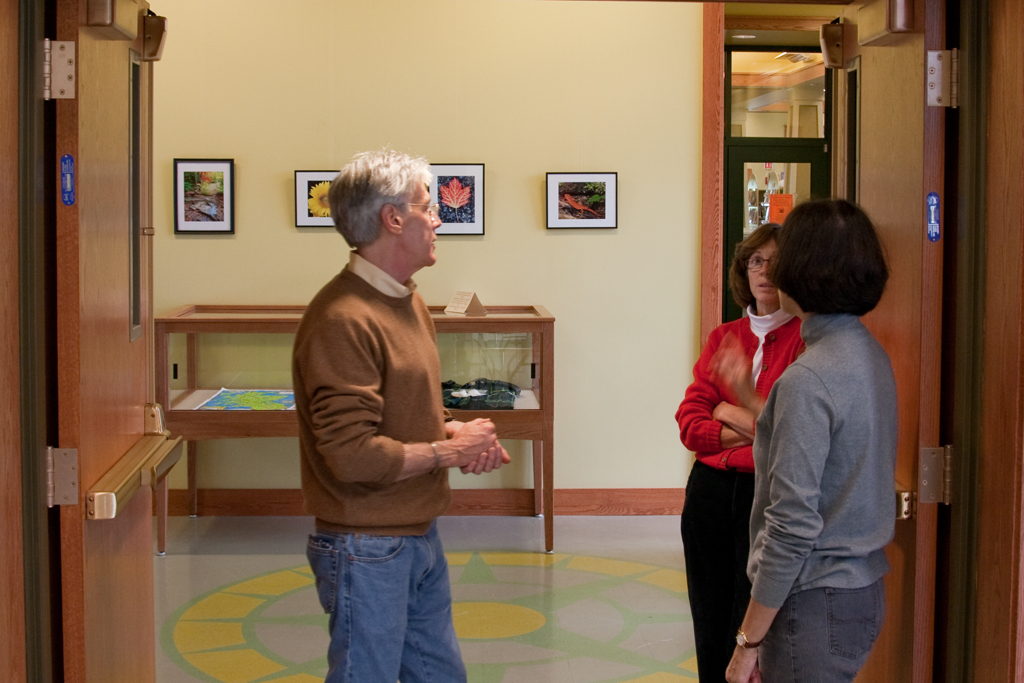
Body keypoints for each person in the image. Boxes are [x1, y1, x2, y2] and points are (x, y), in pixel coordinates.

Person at [292, 148, 510, 683]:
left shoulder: (405, 299)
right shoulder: (343, 319)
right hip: (365, 547)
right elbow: (351, 456)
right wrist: (449, 451)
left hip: (415, 534)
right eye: (428, 207)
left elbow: (403, 410)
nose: (438, 220)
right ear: (393, 219)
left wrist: (455, 431)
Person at [723, 199, 896, 683]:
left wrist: (747, 642)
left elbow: (791, 527)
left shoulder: (810, 377)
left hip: (814, 600)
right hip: (861, 589)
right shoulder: (867, 353)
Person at [675, 222, 804, 682]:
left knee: (752, 623)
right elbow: (690, 425)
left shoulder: (806, 339)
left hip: (765, 494)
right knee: (708, 618)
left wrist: (727, 409)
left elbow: (789, 431)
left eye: (776, 261)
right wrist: (750, 425)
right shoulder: (724, 337)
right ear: (743, 271)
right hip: (709, 492)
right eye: (756, 261)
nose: (764, 271)